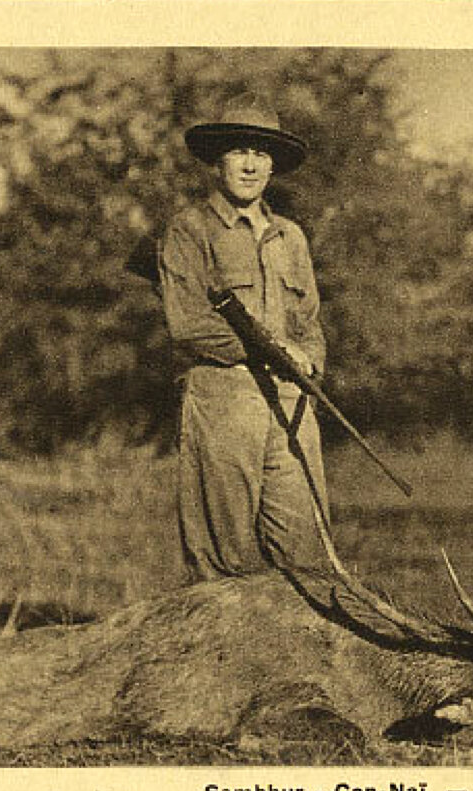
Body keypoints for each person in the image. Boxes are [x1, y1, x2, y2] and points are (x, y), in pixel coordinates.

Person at [157, 92, 327, 579]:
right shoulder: (189, 230)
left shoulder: (290, 236)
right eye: (239, 151)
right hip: (225, 401)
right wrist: (271, 351)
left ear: (273, 165)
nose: (251, 165)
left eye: (261, 153)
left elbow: (310, 322)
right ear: (218, 161)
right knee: (225, 562)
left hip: (293, 401)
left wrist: (310, 360)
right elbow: (187, 324)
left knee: (310, 556)